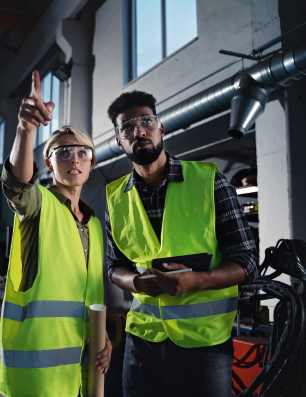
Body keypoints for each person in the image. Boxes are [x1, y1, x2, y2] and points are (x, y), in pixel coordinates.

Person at [104, 91, 258, 397]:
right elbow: (113, 267)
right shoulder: (114, 198)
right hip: (142, 343)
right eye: (127, 127)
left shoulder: (210, 182)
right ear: (120, 143)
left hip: (205, 344)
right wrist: (136, 281)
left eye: (146, 120)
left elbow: (247, 262)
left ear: (161, 128)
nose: (139, 130)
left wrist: (195, 281)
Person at [0, 70, 112, 397]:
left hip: (76, 368)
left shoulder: (94, 225)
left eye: (82, 151)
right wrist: (24, 128)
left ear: (91, 161)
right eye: (62, 151)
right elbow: (17, 184)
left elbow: (90, 293)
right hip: (31, 373)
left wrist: (102, 337)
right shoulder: (38, 205)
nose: (73, 157)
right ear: (48, 162)